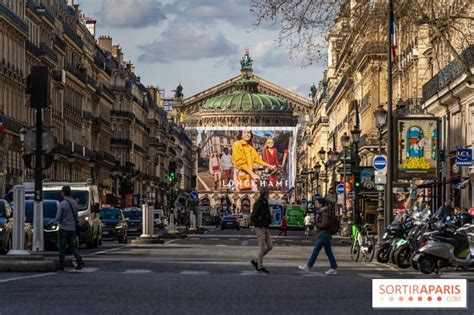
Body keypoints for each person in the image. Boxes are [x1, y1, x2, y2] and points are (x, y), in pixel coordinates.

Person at [299, 198, 338, 275]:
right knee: (328, 252)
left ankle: (308, 266)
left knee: (316, 250)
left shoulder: (325, 213)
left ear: (321, 204)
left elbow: (324, 224)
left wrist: (315, 222)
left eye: (317, 203)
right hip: (325, 234)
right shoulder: (324, 212)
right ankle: (333, 268)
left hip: (324, 233)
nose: (316, 204)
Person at [55, 185, 85, 271]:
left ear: (63, 193)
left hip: (64, 228)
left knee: (62, 248)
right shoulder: (74, 203)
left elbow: (58, 217)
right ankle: (80, 262)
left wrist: (58, 220)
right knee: (73, 247)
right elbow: (76, 215)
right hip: (72, 229)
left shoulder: (62, 204)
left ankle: (61, 266)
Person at [250, 188, 273, 273]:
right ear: (265, 194)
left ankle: (256, 260)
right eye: (268, 193)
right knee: (261, 246)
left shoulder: (264, 202)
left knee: (270, 246)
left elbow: (266, 214)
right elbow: (253, 216)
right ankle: (260, 266)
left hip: (265, 226)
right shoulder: (259, 202)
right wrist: (259, 224)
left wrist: (268, 221)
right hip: (260, 227)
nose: (269, 195)